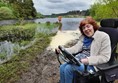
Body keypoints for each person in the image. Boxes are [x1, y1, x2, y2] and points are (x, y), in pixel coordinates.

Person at [55, 16, 111, 83]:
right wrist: (63, 50)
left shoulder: (103, 36)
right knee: (62, 67)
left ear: (93, 26)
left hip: (92, 64)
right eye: (83, 28)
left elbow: (105, 57)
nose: (86, 29)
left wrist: (88, 60)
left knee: (68, 68)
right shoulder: (84, 37)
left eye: (88, 26)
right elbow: (75, 48)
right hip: (79, 60)